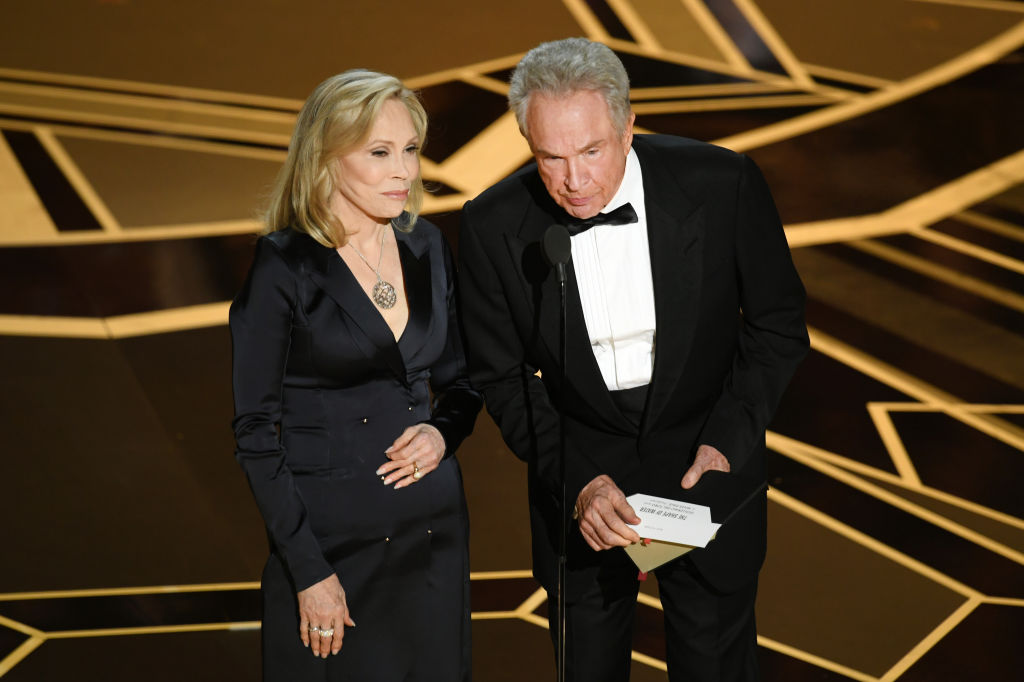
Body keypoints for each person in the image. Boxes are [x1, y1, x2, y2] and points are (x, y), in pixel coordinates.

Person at [458, 38, 808, 681]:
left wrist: (727, 441)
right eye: (549, 158)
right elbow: (500, 375)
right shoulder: (490, 225)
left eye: (591, 151)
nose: (574, 181)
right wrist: (578, 481)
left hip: (707, 477)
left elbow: (777, 326)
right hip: (583, 496)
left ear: (628, 126)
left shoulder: (723, 183)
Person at [230, 69, 480, 681]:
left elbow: (465, 382)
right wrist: (309, 572)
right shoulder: (283, 266)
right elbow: (257, 432)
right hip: (331, 548)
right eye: (380, 152)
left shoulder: (426, 246)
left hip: (432, 539)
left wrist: (443, 433)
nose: (405, 171)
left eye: (412, 151)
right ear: (326, 157)